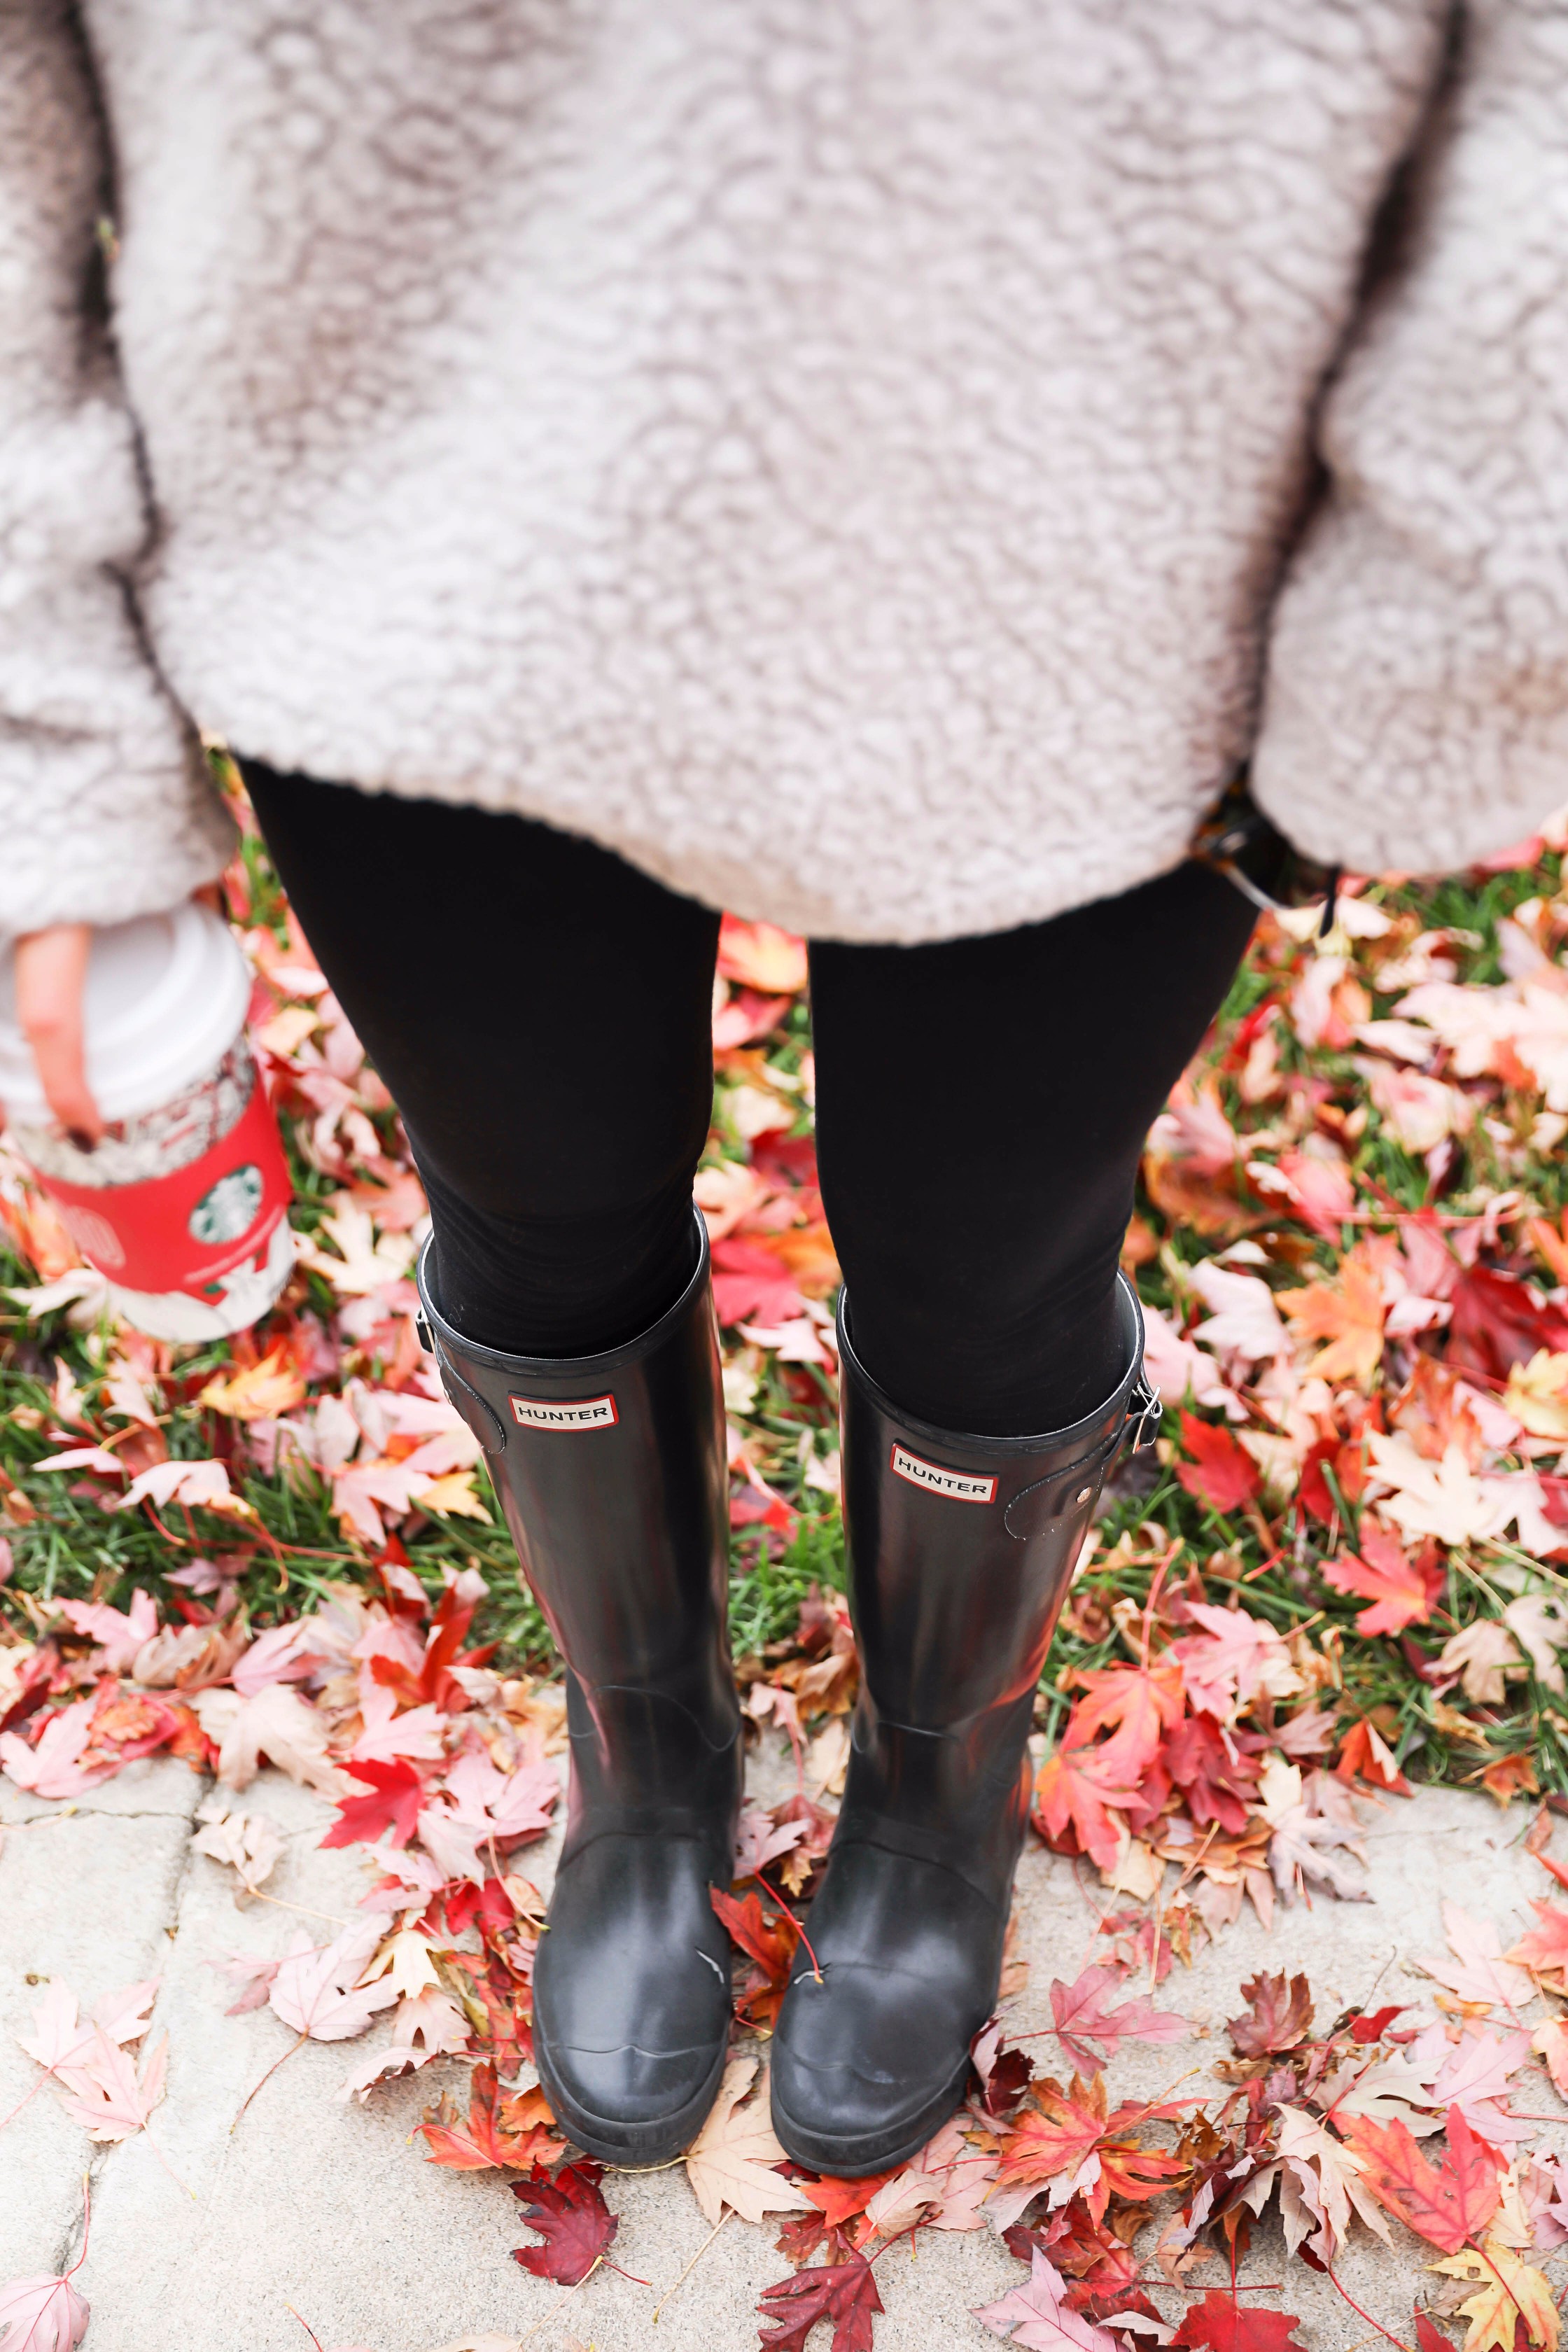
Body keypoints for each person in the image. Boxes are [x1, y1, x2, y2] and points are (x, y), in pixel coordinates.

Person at [3, 2, 1564, 2178]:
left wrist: (1472, 590)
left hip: (1102, 544)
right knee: (539, 1216)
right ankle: (653, 1758)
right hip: (404, 508)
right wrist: (39, 737)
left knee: (989, 1260)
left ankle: (934, 1803)